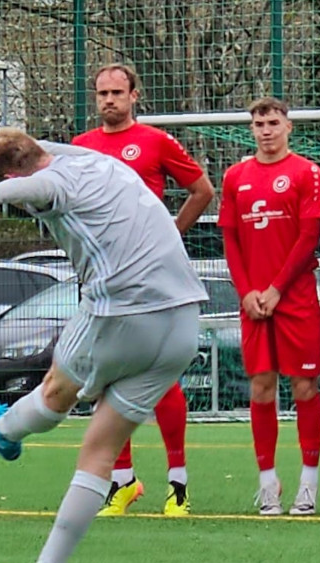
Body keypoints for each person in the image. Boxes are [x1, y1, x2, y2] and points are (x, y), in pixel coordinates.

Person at [0, 129, 208, 563]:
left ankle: (3, 431)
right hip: (184, 324)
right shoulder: (94, 160)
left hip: (123, 314)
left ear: (14, 174)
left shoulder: (51, 180)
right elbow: (37, 163)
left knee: (55, 394)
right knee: (100, 451)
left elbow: (37, 188)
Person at [71, 63, 215, 518]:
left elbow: (202, 190)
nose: (108, 100)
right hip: (101, 278)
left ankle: (178, 483)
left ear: (135, 96)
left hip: (150, 279)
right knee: (104, 378)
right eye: (101, 93)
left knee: (163, 375)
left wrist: (169, 236)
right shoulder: (81, 148)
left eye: (117, 92)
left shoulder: (155, 142)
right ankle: (124, 482)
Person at [219, 97, 320, 516]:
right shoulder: (236, 176)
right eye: (259, 123)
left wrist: (278, 288)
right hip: (254, 301)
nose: (266, 129)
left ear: (288, 127)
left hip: (294, 297)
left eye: (273, 122)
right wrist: (245, 291)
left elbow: (308, 236)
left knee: (304, 387)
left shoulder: (306, 172)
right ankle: (268, 484)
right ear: (252, 129)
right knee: (261, 386)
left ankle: (309, 483)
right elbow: (230, 240)